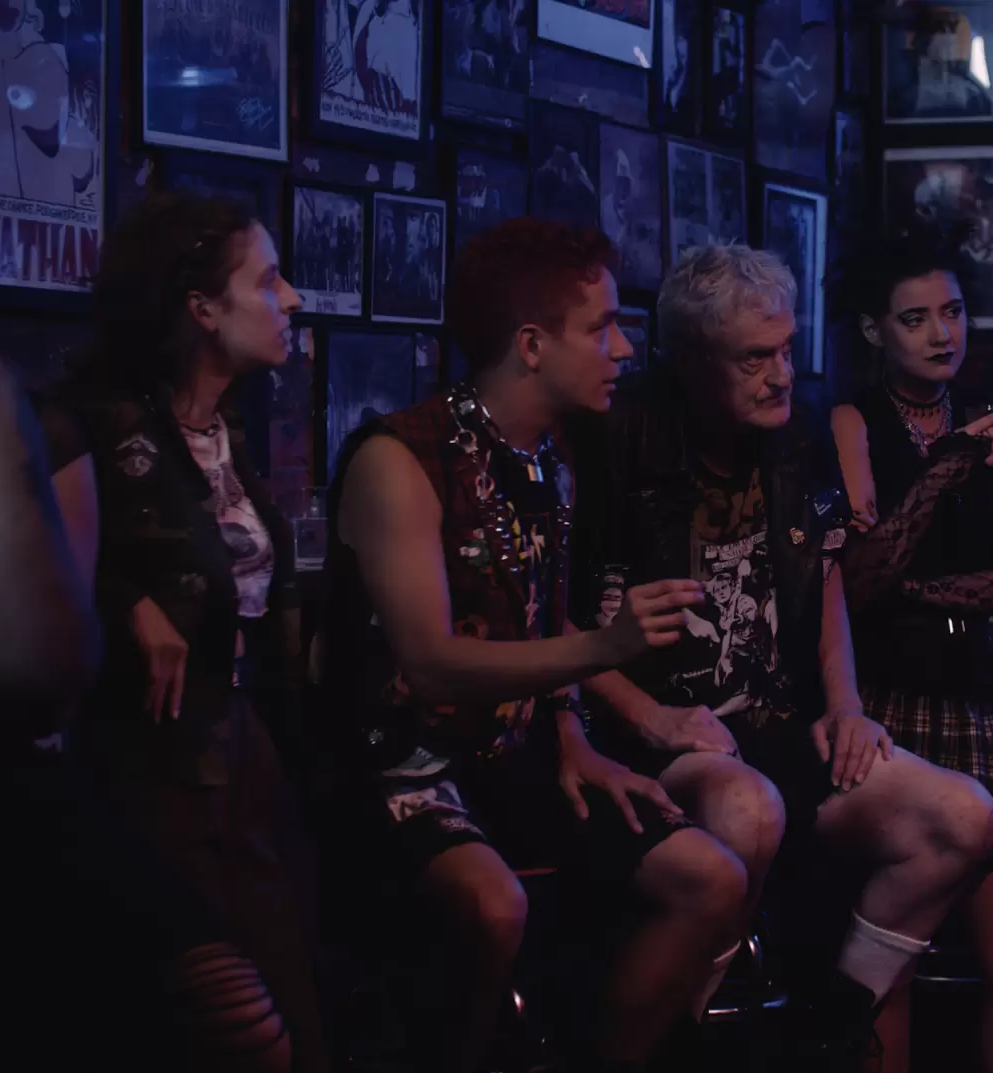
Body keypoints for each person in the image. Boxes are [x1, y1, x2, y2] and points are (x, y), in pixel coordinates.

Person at [325, 219, 746, 1073]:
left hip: (512, 762)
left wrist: (572, 738)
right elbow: (429, 661)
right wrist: (606, 645)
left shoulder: (548, 460)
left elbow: (536, 618)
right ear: (530, 345)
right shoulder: (399, 458)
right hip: (400, 765)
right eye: (602, 327)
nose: (623, 349)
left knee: (714, 878)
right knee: (494, 904)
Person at [568, 244, 993, 1072]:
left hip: (778, 728)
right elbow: (554, 618)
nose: (781, 375)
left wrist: (845, 704)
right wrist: (652, 716)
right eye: (754, 358)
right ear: (691, 362)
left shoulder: (797, 433)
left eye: (787, 350)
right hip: (659, 743)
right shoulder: (620, 437)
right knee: (749, 807)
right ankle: (677, 1038)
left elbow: (826, 572)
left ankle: (834, 1018)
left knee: (964, 815)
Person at [41, 192, 330, 1071]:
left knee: (298, 996)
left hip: (243, 741)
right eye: (268, 280)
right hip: (152, 757)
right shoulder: (91, 422)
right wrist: (125, 598)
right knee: (215, 1022)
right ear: (201, 308)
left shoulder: (230, 425)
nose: (292, 298)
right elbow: (37, 583)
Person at [827, 235, 993, 1073]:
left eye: (952, 312)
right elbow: (859, 577)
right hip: (887, 704)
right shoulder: (851, 421)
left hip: (973, 701)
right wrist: (941, 473)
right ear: (873, 329)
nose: (941, 333)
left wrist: (919, 590)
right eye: (915, 318)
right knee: (890, 964)